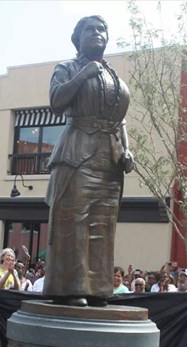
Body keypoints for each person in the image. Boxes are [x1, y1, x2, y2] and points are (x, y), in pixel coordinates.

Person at [44, 15, 133, 307]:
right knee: (75, 223)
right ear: (78, 37)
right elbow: (56, 101)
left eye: (102, 29)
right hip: (77, 154)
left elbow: (120, 122)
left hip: (110, 160)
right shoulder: (68, 68)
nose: (97, 33)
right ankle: (70, 289)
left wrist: (127, 150)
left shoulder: (113, 75)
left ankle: (96, 288)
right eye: (90, 30)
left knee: (103, 225)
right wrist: (83, 75)